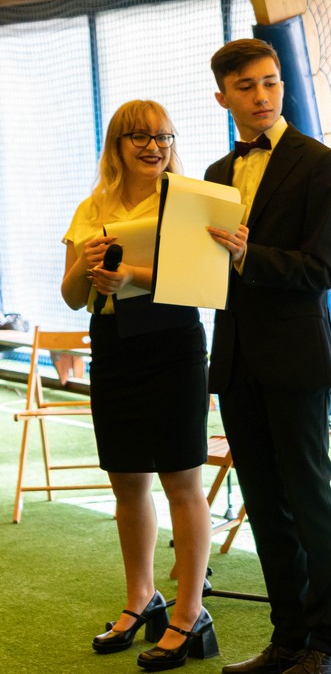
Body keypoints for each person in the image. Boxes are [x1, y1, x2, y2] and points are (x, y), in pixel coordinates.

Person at [203, 39, 331, 674]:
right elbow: (205, 274)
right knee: (264, 505)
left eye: (270, 82)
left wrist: (248, 256)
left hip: (296, 357)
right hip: (235, 359)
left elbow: (321, 269)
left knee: (309, 498)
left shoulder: (322, 164)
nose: (262, 95)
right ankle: (288, 640)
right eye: (246, 86)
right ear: (223, 97)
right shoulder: (214, 174)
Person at [61, 99, 217, 670]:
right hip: (112, 344)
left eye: (164, 137)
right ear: (118, 145)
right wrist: (86, 266)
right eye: (141, 138)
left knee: (182, 479)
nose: (155, 148)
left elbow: (202, 281)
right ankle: (141, 598)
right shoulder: (92, 206)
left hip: (173, 343)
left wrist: (129, 274)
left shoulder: (188, 199)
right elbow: (72, 297)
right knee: (126, 480)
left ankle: (189, 612)